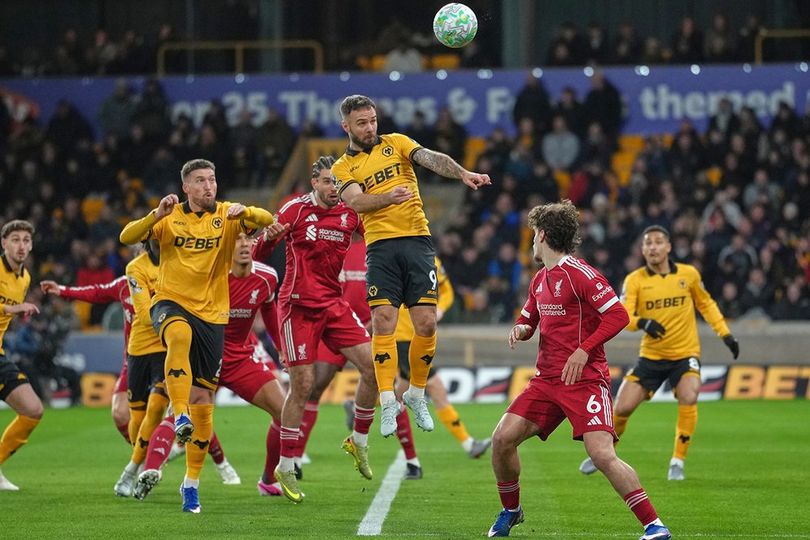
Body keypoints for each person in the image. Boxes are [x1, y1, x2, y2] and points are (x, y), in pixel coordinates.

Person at [488, 201, 671, 540]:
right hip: (546, 381)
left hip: (584, 380)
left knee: (601, 454)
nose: (532, 242)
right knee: (501, 439)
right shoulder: (539, 280)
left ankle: (654, 525)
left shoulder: (581, 274)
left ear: (543, 235)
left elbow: (618, 315)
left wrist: (584, 350)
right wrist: (522, 329)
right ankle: (511, 511)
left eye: (534, 235)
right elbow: (529, 319)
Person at [119, 158, 275, 513]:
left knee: (204, 402)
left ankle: (191, 485)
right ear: (186, 187)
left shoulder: (227, 216)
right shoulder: (169, 216)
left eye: (212, 180)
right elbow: (126, 236)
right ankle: (179, 414)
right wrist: (155, 215)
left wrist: (246, 210)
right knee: (178, 335)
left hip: (212, 315)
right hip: (170, 302)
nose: (209, 186)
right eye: (201, 181)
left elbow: (267, 219)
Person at [333, 94, 491, 437]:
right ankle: (388, 400)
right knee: (383, 321)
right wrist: (387, 198)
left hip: (418, 241)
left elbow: (430, 158)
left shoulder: (397, 142)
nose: (370, 127)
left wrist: (462, 173)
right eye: (362, 123)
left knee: (427, 324)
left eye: (373, 120)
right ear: (346, 126)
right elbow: (356, 201)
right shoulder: (341, 168)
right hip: (380, 247)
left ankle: (416, 394)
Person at [254, 156, 378, 503]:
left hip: (333, 305)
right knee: (304, 385)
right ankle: (286, 465)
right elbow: (259, 253)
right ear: (314, 183)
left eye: (337, 182)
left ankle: (358, 439)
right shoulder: (293, 210)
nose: (333, 188)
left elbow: (377, 238)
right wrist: (268, 239)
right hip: (297, 308)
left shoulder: (350, 213)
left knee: (373, 366)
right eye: (327, 181)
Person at [579, 225, 739, 481]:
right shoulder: (635, 280)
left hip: (685, 354)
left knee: (689, 394)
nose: (653, 247)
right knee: (622, 407)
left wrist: (725, 334)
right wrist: (643, 322)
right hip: (651, 357)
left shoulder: (689, 275)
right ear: (642, 250)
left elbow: (706, 304)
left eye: (657, 242)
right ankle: (604, 454)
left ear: (668, 247)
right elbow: (623, 316)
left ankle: (677, 461)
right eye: (648, 243)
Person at [134, 231, 286, 501]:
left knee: (284, 412)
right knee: (180, 415)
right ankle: (150, 471)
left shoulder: (267, 277)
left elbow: (269, 311)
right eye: (236, 239)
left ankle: (268, 479)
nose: (243, 244)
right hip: (203, 354)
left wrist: (281, 348)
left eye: (248, 238)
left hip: (239, 357)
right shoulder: (207, 275)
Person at [41, 273, 132, 444]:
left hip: (164, 358)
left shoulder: (169, 280)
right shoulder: (126, 283)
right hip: (134, 361)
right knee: (120, 413)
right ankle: (147, 453)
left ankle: (161, 452)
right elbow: (97, 292)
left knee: (162, 410)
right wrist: (63, 290)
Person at [0, 220, 44, 491]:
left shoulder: (24, 278)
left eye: (26, 240)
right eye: (15, 239)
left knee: (32, 409)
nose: (21, 246)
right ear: (4, 243)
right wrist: (9, 309)